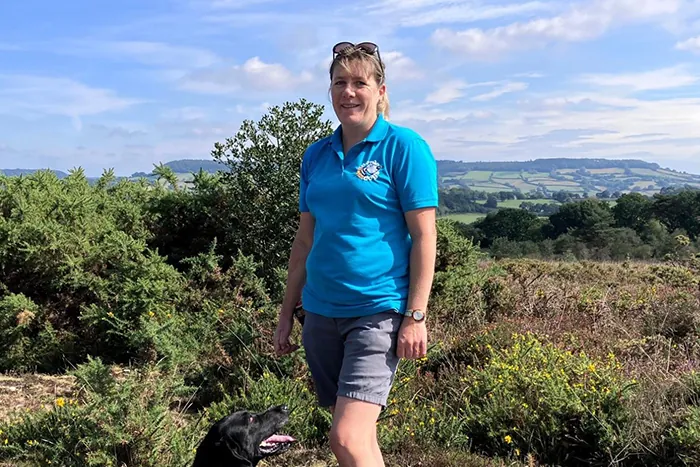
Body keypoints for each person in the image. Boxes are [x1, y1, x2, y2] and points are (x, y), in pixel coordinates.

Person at [273, 40, 438, 466]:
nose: (348, 92)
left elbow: (424, 237)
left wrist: (415, 315)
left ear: (380, 91)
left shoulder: (404, 147)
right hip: (322, 314)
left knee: (345, 437)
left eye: (360, 82)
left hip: (378, 310)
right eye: (339, 82)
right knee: (358, 437)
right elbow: (304, 242)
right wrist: (287, 312)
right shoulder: (316, 156)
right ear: (329, 90)